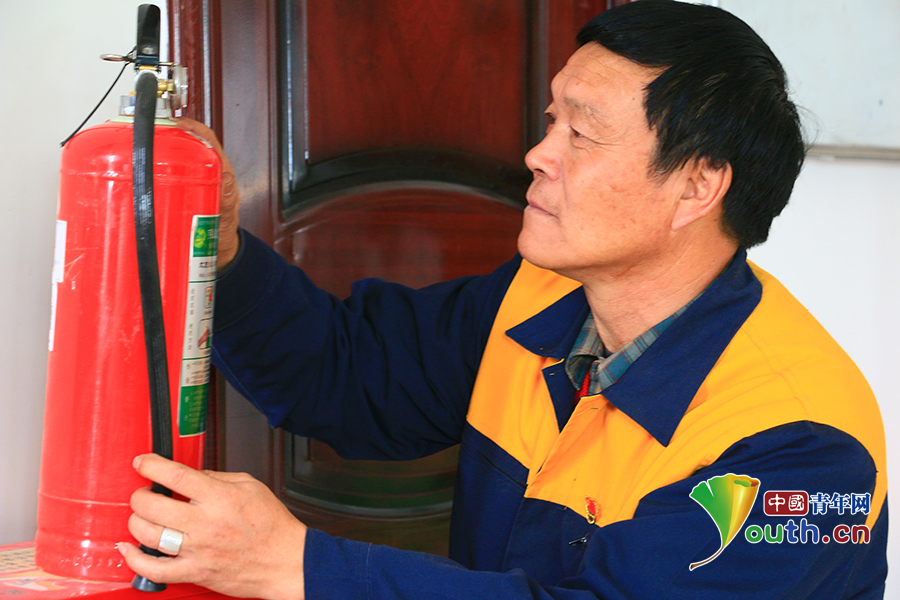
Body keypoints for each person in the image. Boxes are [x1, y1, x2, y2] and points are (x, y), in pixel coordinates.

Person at [117, 2, 887, 599]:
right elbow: (343, 375)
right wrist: (223, 251)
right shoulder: (539, 300)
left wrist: (299, 567)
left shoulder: (808, 452)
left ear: (696, 187)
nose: (538, 155)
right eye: (553, 120)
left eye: (582, 134)